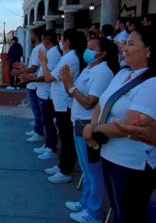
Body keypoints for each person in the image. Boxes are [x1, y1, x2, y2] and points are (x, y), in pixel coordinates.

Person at [83, 25, 156, 223]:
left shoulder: (152, 83)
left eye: (131, 43)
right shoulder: (123, 74)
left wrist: (93, 130)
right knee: (118, 210)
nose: (124, 47)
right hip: (109, 155)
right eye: (125, 43)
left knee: (129, 215)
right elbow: (102, 102)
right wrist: (92, 128)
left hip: (131, 163)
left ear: (149, 50)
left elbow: (128, 124)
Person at [60, 37, 119, 222]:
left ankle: (94, 211)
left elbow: (89, 102)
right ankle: (85, 202)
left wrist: (70, 84)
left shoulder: (103, 73)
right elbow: (74, 91)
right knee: (86, 168)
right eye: (87, 46)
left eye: (92, 48)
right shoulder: (89, 68)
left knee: (94, 171)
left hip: (89, 124)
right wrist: (67, 82)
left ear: (102, 53)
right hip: (78, 121)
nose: (87, 50)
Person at [40, 28, 86, 184]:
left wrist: (43, 63)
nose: (60, 41)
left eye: (62, 38)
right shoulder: (67, 56)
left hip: (65, 103)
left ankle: (66, 170)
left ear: (67, 42)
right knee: (64, 137)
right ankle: (62, 166)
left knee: (67, 140)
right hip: (60, 102)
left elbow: (48, 77)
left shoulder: (70, 58)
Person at [29, 29, 61, 161]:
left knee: (48, 122)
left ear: (46, 40)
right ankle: (47, 144)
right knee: (46, 121)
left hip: (47, 93)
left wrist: (31, 78)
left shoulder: (53, 53)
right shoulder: (50, 52)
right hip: (44, 92)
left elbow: (48, 76)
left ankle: (51, 147)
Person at [16, 28, 45, 142]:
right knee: (35, 110)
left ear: (36, 37)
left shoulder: (39, 48)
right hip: (32, 82)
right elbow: (32, 65)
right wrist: (22, 67)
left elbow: (33, 68)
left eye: (33, 35)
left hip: (34, 83)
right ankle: (36, 129)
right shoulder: (37, 48)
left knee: (37, 110)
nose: (31, 37)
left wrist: (20, 72)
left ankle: (39, 132)